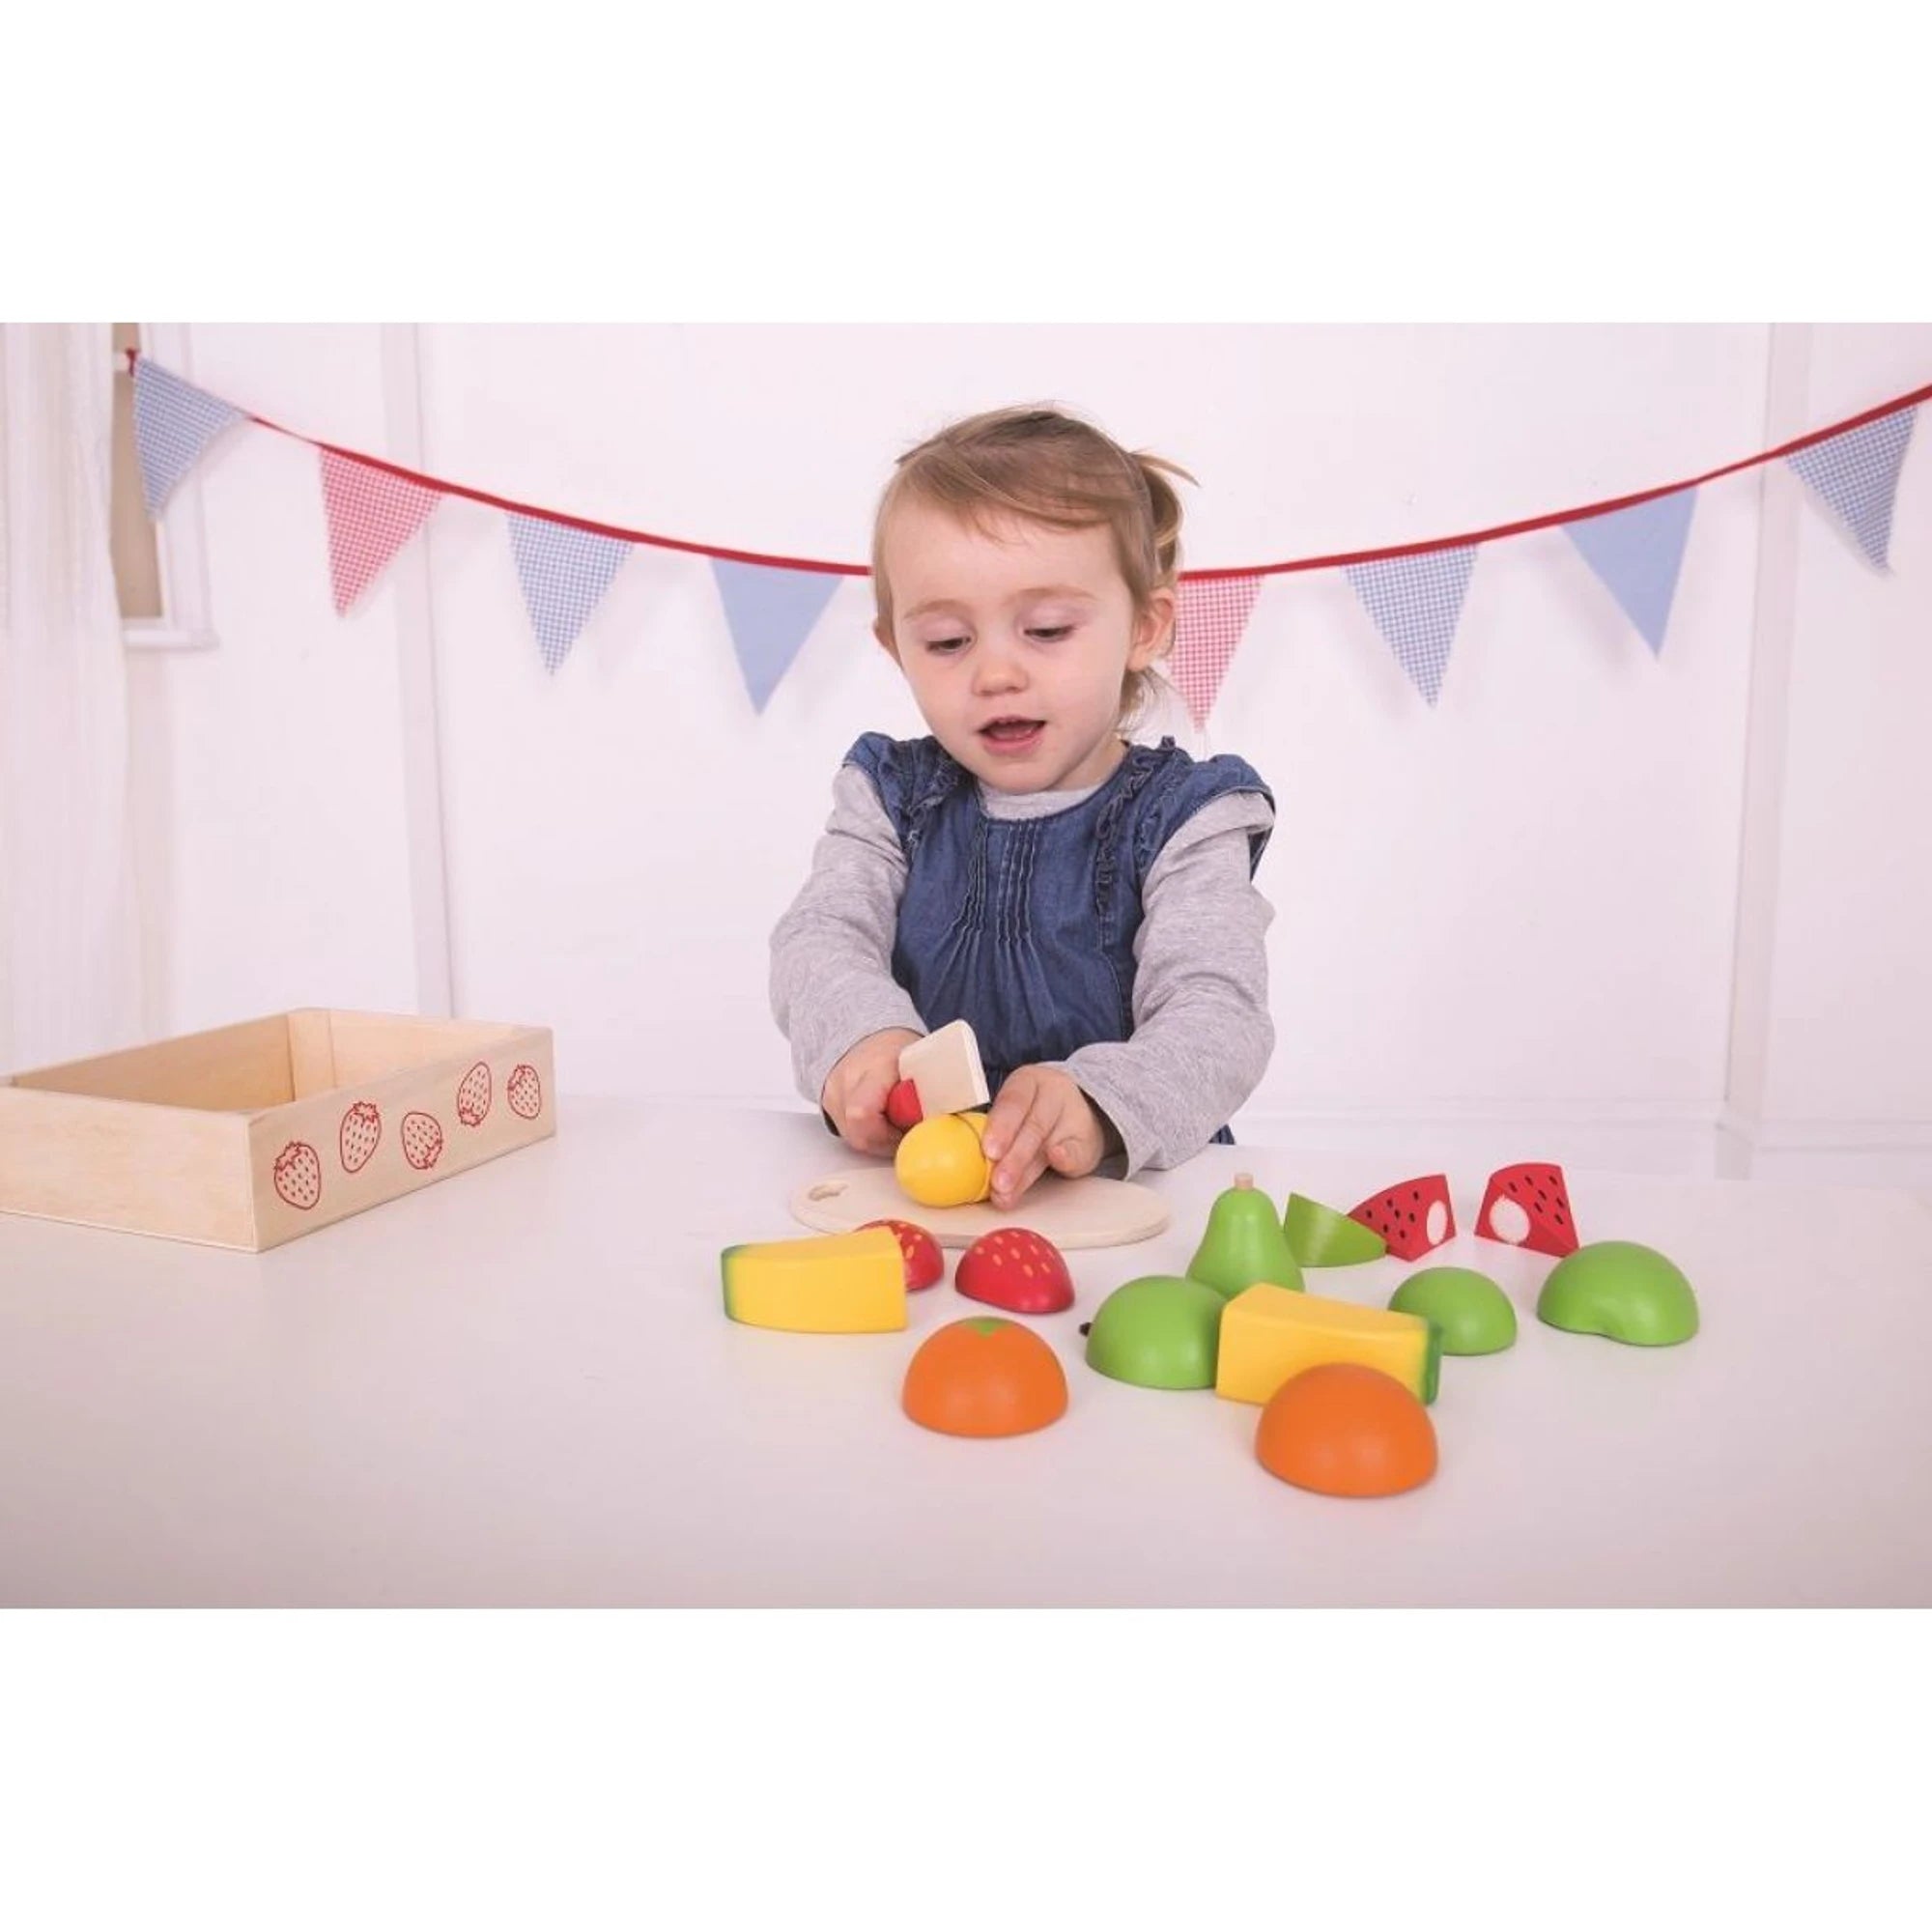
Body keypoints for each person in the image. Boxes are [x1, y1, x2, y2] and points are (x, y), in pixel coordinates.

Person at [769, 403, 1276, 1210]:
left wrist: (1100, 1102)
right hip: (921, 1193)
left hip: (1135, 1199)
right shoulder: (889, 797)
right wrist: (862, 1036)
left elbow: (1217, 1014)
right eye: (947, 642)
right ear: (896, 648)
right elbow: (823, 934)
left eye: (1045, 630)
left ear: (1144, 628)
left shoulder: (1188, 817)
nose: (996, 674)